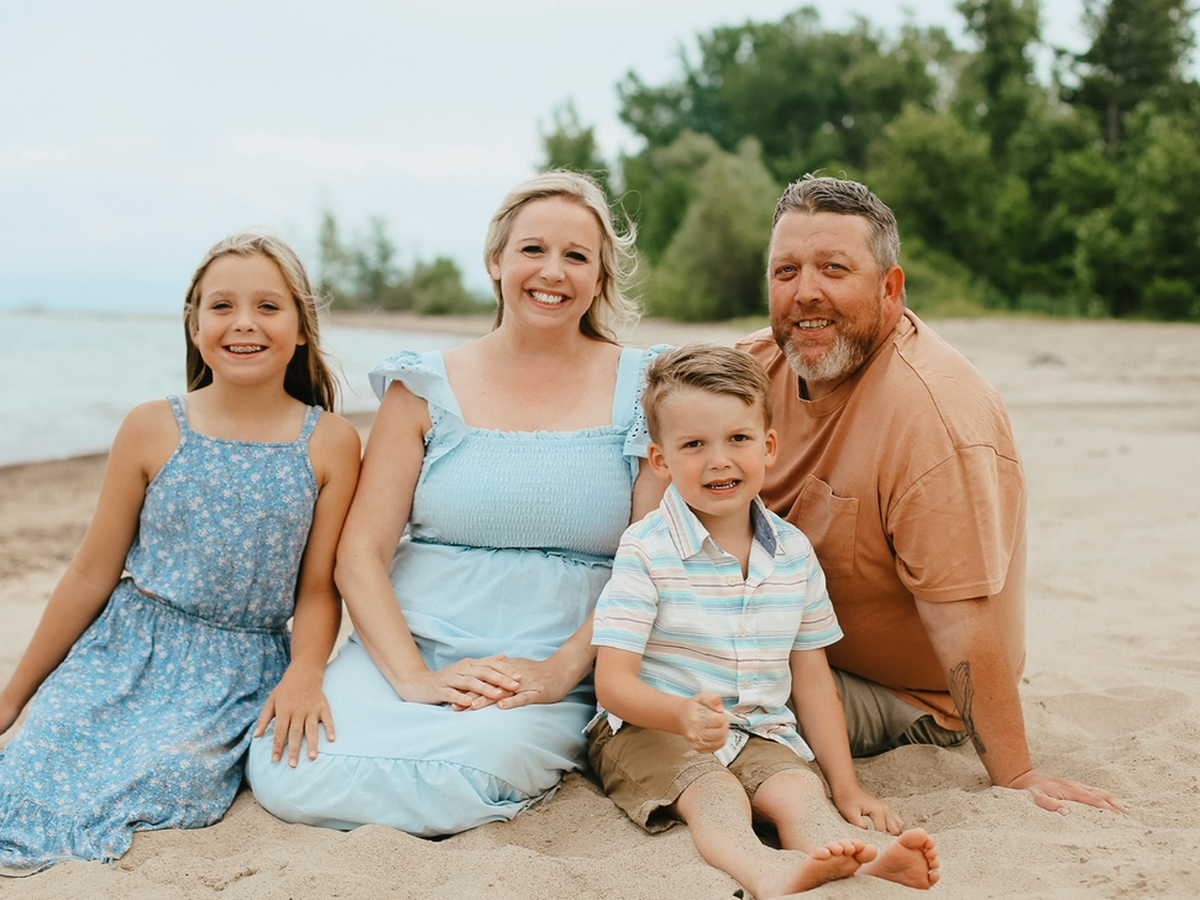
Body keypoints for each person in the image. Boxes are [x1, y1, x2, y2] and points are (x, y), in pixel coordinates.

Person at [248, 170, 667, 836]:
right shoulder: (421, 385)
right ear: (496, 260)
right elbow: (360, 554)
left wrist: (559, 673)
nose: (552, 272)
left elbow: (651, 560)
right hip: (410, 644)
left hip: (549, 662)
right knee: (290, 765)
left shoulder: (647, 387)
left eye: (576, 256)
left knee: (470, 770)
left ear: (599, 277)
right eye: (532, 249)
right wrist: (413, 678)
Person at [736, 175, 1125, 815]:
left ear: (890, 289)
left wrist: (1016, 773)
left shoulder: (932, 417)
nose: (805, 291)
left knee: (692, 696)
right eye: (786, 271)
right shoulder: (752, 370)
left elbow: (961, 620)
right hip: (785, 646)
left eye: (834, 269)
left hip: (900, 692)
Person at [0, 229, 361, 872]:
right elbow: (89, 574)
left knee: (170, 777)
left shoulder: (331, 442)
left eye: (268, 306)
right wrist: (13, 696)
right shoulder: (151, 426)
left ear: (302, 329)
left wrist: (306, 673)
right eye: (222, 306)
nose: (243, 322)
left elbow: (317, 589)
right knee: (37, 761)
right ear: (195, 326)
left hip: (237, 671)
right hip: (123, 650)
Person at [589, 344, 940, 897]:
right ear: (661, 460)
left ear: (769, 446)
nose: (719, 460)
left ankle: (868, 863)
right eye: (694, 445)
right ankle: (765, 871)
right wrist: (679, 714)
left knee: (800, 792)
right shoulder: (646, 550)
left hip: (757, 728)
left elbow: (812, 678)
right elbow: (612, 685)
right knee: (717, 794)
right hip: (648, 728)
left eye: (738, 438)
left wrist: (847, 787)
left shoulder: (793, 552)